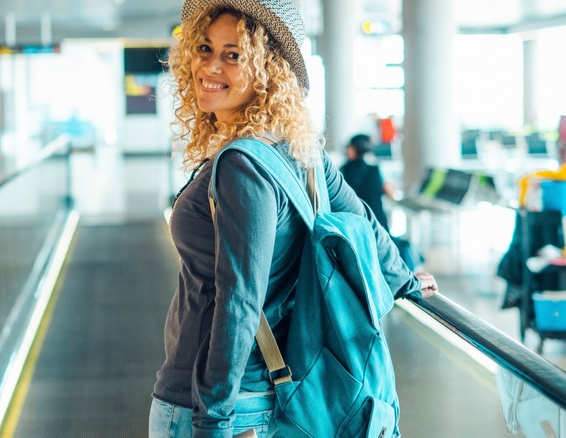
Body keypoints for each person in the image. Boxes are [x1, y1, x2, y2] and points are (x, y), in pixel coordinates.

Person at [150, 1, 439, 437]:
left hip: (212, 403)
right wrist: (403, 278)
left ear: (268, 69)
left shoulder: (242, 164)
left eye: (233, 54)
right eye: (205, 48)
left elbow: (240, 301)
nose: (209, 66)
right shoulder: (298, 151)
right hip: (261, 393)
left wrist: (212, 421)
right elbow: (359, 216)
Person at [339, 133, 396, 231]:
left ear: (353, 149)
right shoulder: (376, 169)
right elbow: (391, 192)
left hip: (353, 224)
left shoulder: (343, 170)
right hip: (377, 222)